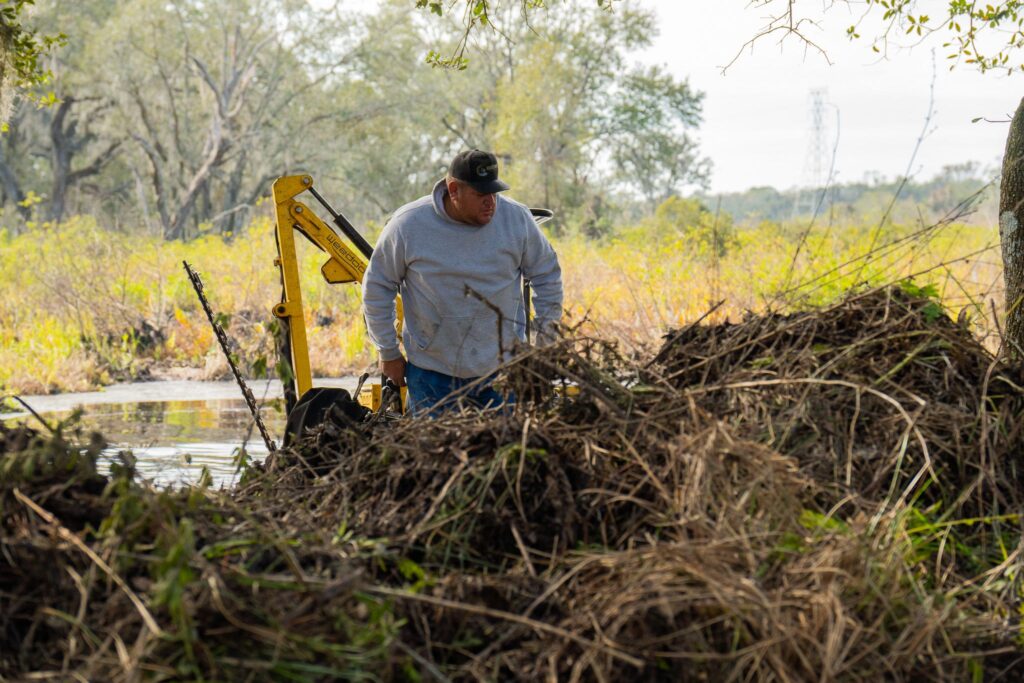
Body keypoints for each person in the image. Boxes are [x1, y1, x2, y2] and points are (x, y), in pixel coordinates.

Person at [362, 149, 563, 414]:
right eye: (480, 195)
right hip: (433, 375)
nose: (490, 201)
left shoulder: (517, 219)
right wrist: (388, 352)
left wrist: (544, 344)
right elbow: (377, 286)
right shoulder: (408, 225)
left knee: (505, 450)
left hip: (502, 372)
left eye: (494, 192)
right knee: (435, 453)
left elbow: (547, 274)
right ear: (454, 190)